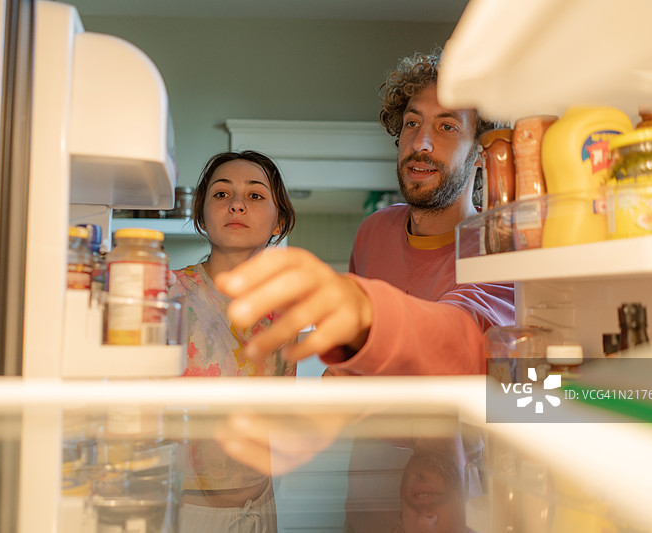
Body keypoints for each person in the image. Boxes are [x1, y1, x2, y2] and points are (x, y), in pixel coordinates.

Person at [215, 48, 514, 376]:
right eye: (412, 123)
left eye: (447, 127)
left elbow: (467, 338)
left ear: (481, 152)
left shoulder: (501, 242)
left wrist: (367, 309)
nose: (420, 143)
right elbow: (362, 361)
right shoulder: (376, 232)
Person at [170, 150, 297, 533]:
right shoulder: (170, 293)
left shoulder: (285, 310)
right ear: (202, 216)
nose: (237, 204)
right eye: (221, 195)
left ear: (279, 223)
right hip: (186, 512)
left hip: (262, 507)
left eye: (255, 196)